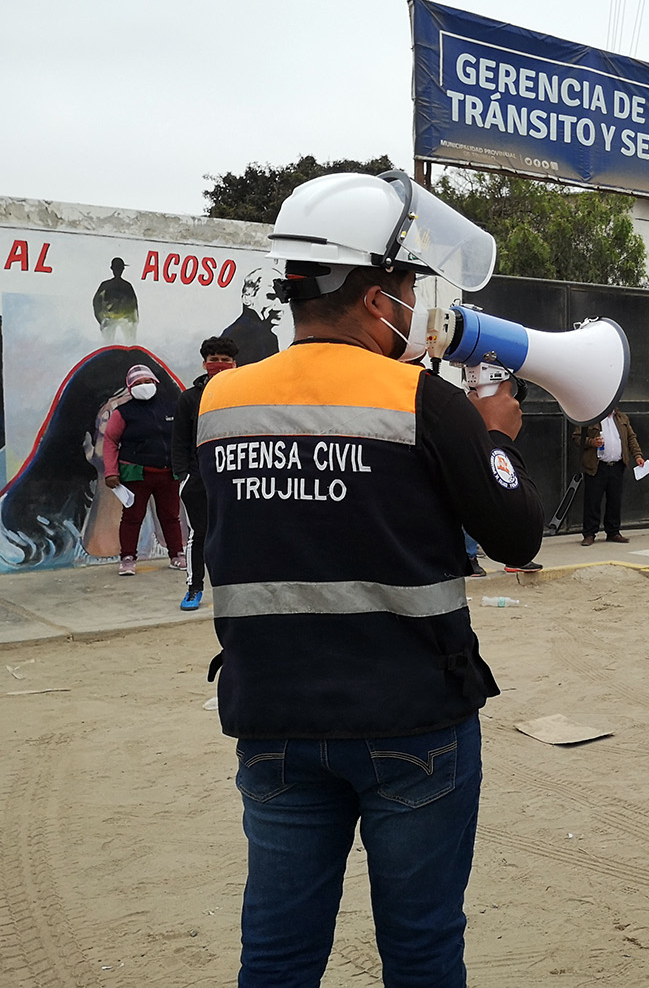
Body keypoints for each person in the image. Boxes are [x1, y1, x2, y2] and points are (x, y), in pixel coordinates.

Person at [196, 170, 545, 985]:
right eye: (407, 281)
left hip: (274, 718)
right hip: (412, 722)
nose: (414, 299)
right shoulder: (423, 401)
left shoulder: (219, 403)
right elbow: (518, 532)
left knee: (278, 954)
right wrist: (493, 437)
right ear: (376, 290)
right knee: (422, 949)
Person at [171, 336, 238, 610]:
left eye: (225, 361)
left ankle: (235, 589)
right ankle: (194, 588)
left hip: (234, 477)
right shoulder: (189, 398)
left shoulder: (244, 395)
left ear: (235, 364)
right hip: (198, 477)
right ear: (204, 364)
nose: (219, 365)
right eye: (214, 361)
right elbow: (179, 439)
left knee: (234, 533)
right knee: (200, 534)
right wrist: (182, 474)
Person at [104, 364, 186, 576]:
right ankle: (128, 559)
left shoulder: (172, 407)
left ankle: (177, 555)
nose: (144, 386)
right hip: (136, 473)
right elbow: (111, 441)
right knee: (132, 517)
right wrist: (111, 471)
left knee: (171, 516)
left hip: (169, 473)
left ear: (156, 384)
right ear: (130, 388)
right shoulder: (123, 413)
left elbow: (183, 437)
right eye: (138, 384)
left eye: (148, 382)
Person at [573, 409, 646, 546]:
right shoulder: (589, 417)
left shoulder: (622, 418)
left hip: (617, 466)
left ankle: (613, 532)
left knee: (614, 501)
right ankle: (589, 534)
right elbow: (577, 438)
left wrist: (638, 456)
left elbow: (631, 438)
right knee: (592, 501)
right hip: (597, 466)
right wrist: (592, 442)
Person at [220, 267, 286, 364]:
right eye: (271, 297)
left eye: (283, 298)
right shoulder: (260, 337)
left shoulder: (232, 333)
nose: (279, 306)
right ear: (247, 299)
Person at [92, 256, 138, 342]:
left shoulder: (108, 285)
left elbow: (133, 305)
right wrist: (102, 320)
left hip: (119, 319)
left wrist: (101, 319)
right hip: (114, 319)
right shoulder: (126, 285)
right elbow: (96, 302)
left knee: (126, 343)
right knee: (126, 343)